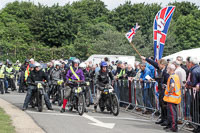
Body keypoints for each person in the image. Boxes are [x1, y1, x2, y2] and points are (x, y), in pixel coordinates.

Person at [141, 56, 169, 126]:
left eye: (159, 64)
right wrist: (146, 59)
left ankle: (166, 119)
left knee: (165, 105)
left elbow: (167, 81)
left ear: (163, 64)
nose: (158, 65)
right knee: (161, 104)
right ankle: (162, 118)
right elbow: (154, 64)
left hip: (165, 90)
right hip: (161, 90)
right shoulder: (161, 69)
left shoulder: (166, 71)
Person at [163, 63, 181, 132]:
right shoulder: (176, 76)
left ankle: (174, 127)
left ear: (170, 69)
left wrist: (169, 92)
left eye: (167, 68)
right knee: (173, 113)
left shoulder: (171, 77)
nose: (166, 69)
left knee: (172, 113)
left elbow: (172, 85)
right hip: (175, 97)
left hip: (172, 98)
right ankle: (173, 126)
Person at [186, 57, 200, 133]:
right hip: (196, 91)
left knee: (196, 109)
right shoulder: (197, 69)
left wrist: (187, 83)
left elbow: (193, 83)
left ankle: (197, 127)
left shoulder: (194, 71)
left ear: (191, 63)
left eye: (188, 63)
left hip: (197, 92)